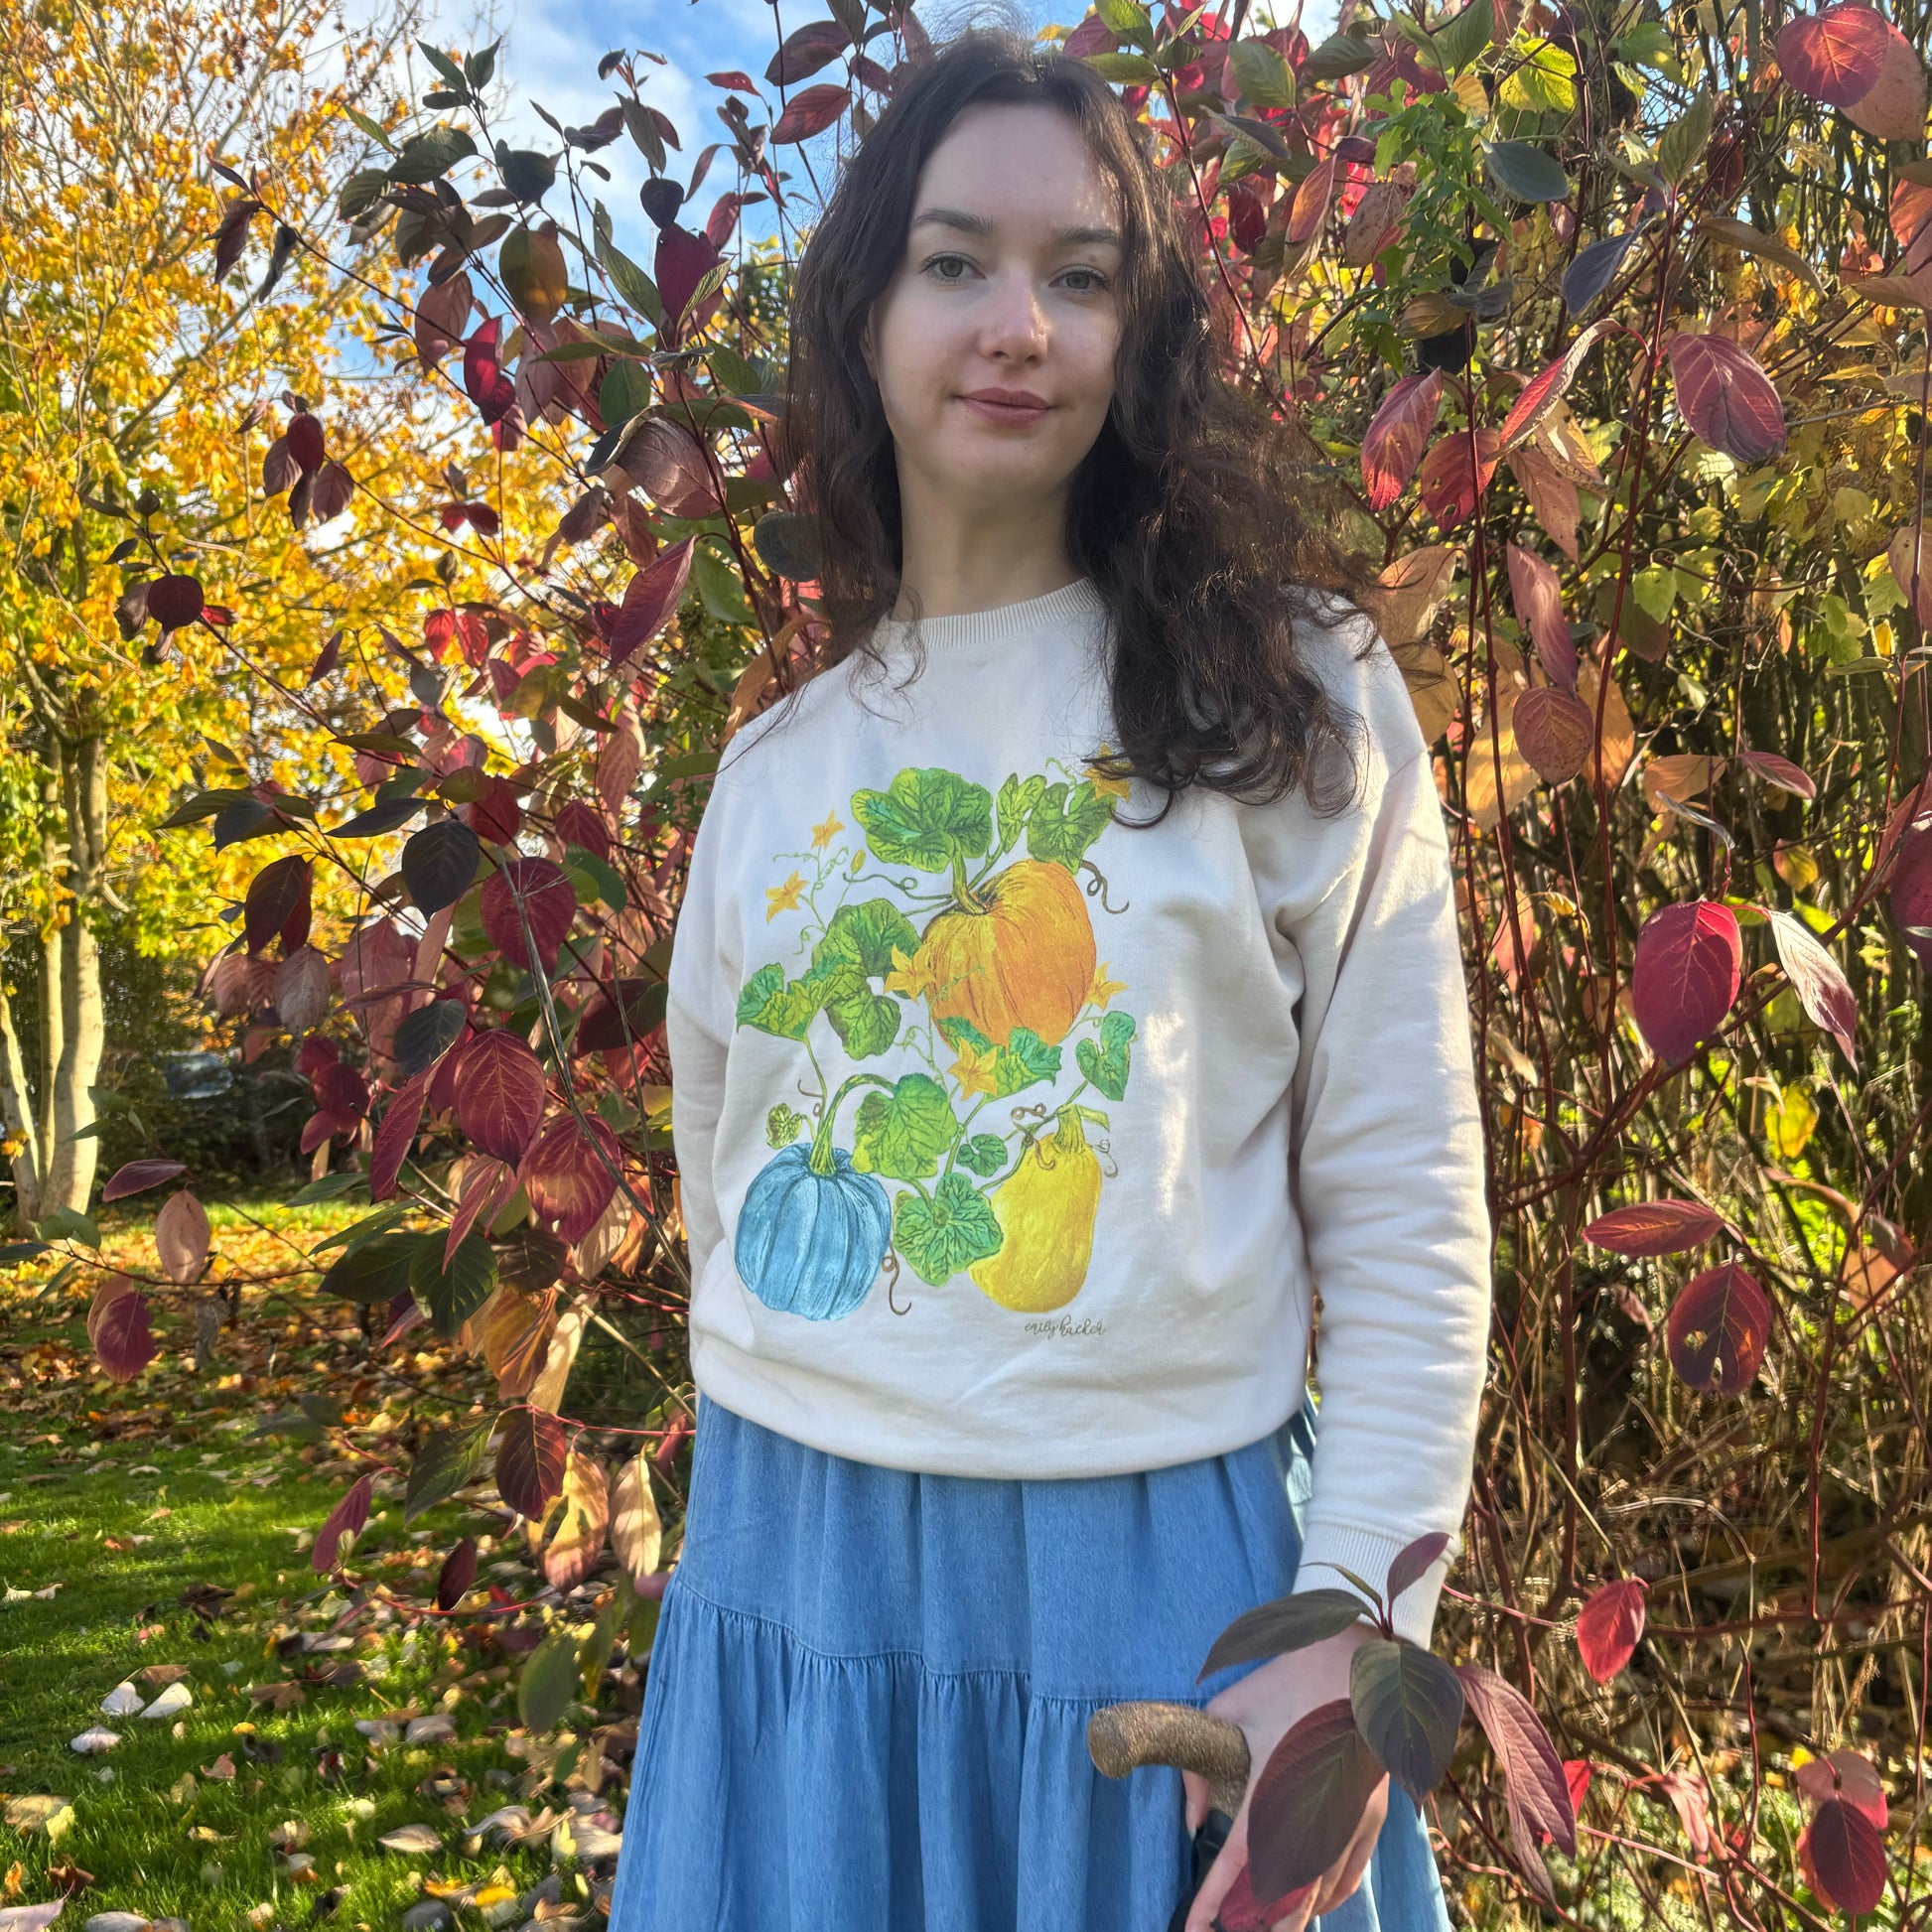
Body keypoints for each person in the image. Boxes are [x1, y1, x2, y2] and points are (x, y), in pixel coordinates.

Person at [604, 22, 1492, 1932]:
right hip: (800, 1579)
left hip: (1169, 1594)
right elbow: (724, 1202)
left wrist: (1348, 1646)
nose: (1017, 322)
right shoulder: (771, 778)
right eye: (954, 261)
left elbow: (1411, 1220)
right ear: (864, 312)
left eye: (1078, 276)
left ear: (1135, 332)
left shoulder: (1294, 696)